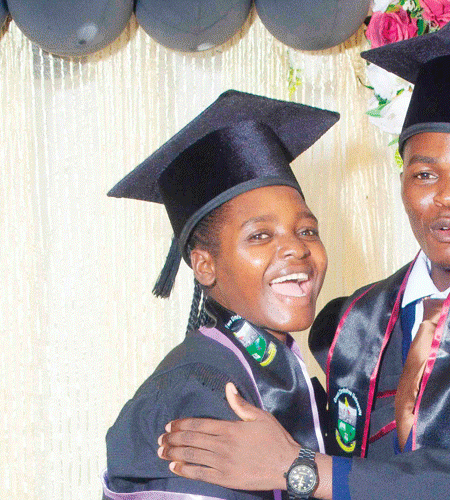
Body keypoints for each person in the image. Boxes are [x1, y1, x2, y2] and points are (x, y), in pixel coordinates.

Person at [156, 7, 450, 500]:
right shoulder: (349, 324)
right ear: (403, 183)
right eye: (425, 174)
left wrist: (300, 470)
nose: (448, 196)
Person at [103, 90, 339, 499]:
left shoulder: (285, 370)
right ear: (204, 265)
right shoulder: (196, 393)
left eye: (307, 230)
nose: (296, 248)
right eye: (260, 235)